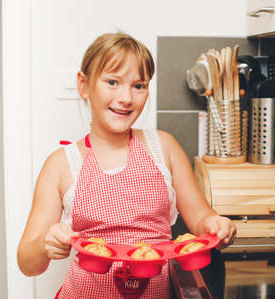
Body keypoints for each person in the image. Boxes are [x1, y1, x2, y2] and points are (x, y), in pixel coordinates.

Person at [17, 32, 236, 299]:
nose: (126, 98)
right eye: (112, 82)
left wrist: (216, 224)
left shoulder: (164, 148)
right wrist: (45, 244)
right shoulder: (61, 164)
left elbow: (201, 219)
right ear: (83, 85)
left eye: (139, 86)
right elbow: (27, 263)